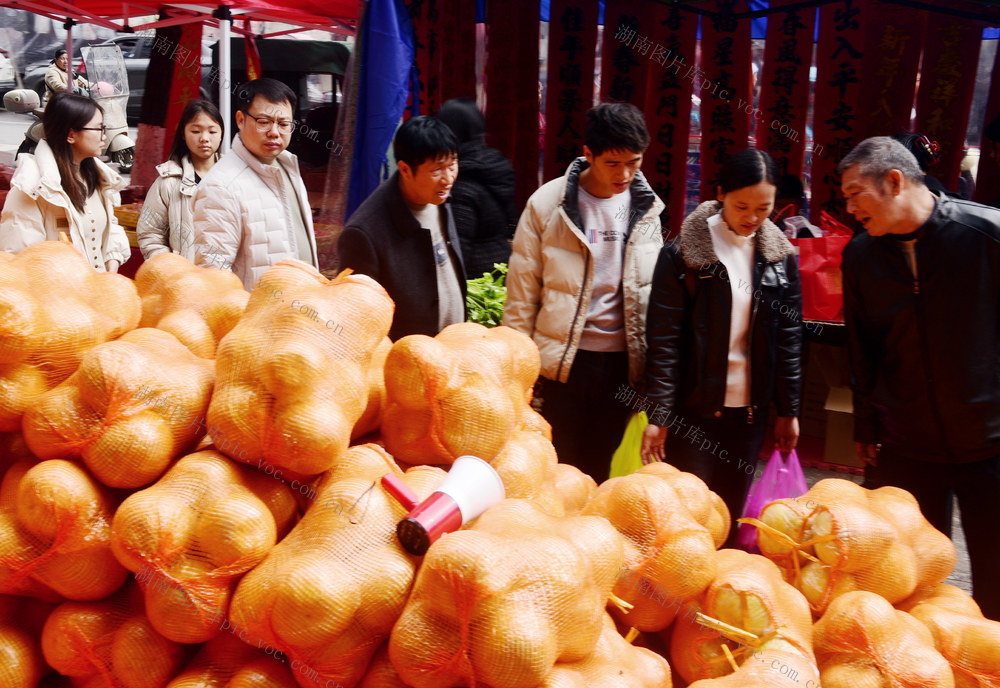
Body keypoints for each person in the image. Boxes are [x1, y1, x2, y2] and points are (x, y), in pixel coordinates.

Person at [839, 136, 1000, 621]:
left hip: (990, 439)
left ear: (894, 182)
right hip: (907, 442)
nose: (849, 208)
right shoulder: (861, 256)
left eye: (855, 194)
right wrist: (866, 423)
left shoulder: (986, 234)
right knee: (907, 577)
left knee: (996, 575)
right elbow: (862, 347)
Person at [641, 149, 802, 542]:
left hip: (748, 414)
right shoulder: (683, 254)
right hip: (694, 410)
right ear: (720, 194)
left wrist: (789, 410)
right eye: (741, 206)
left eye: (763, 208)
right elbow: (664, 341)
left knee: (730, 518)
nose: (752, 218)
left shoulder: (780, 257)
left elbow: (789, 339)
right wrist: (659, 415)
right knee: (690, 523)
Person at [503, 102, 664, 484]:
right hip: (564, 365)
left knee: (600, 467)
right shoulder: (548, 205)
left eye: (634, 162)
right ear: (588, 154)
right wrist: (516, 371)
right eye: (613, 163)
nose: (624, 174)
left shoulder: (646, 207)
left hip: (622, 365)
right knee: (555, 465)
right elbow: (522, 294)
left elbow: (650, 291)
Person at [338, 116, 466, 341]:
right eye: (437, 170)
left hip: (453, 346)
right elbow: (359, 319)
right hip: (406, 356)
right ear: (405, 170)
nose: (448, 179)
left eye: (452, 164)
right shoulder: (364, 233)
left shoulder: (439, 197)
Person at [193, 78, 318, 289]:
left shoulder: (289, 167)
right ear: (240, 120)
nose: (274, 132)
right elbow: (214, 278)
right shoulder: (221, 187)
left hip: (302, 303)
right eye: (263, 122)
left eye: (283, 124)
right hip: (260, 309)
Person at [0, 92, 129, 272]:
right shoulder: (31, 187)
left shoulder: (100, 179)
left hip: (98, 287)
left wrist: (111, 268)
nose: (104, 136)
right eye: (99, 128)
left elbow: (110, 229)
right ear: (71, 135)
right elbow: (21, 259)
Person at [436, 97, 517, 279]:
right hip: (503, 267)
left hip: (477, 280)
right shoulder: (495, 165)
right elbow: (511, 222)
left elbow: (459, 248)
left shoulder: (463, 179)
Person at [137, 99, 223, 261]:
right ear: (183, 133)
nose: (204, 138)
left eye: (212, 132)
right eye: (196, 131)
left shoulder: (235, 178)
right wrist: (172, 267)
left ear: (221, 134)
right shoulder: (168, 182)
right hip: (184, 274)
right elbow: (150, 234)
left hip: (227, 274)